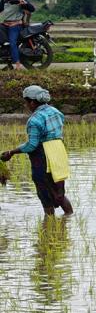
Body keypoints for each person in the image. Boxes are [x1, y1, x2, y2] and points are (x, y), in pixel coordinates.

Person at [0, 86, 73, 216]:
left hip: (42, 156)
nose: (26, 105)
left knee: (44, 193)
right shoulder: (55, 111)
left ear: (32, 102)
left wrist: (11, 152)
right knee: (59, 194)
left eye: (26, 102)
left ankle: (49, 226)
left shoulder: (34, 120)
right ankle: (68, 218)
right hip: (58, 151)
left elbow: (32, 145)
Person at [1, 0, 30, 70]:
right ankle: (8, 63)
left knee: (12, 43)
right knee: (3, 42)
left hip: (15, 25)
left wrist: (24, 3)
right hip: (5, 24)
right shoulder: (4, 0)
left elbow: (31, 9)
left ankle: (18, 65)